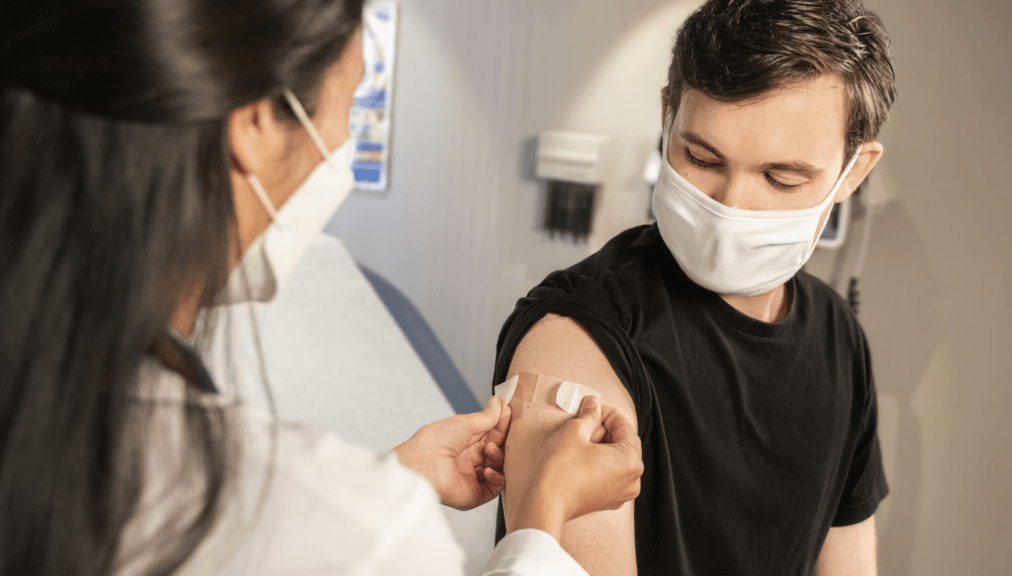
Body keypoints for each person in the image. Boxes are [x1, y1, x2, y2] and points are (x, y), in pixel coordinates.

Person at [0, 1, 644, 575]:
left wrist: (393, 476)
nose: (343, 143)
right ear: (255, 123)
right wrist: (538, 523)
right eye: (355, 103)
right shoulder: (356, 530)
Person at [493, 0, 897, 574]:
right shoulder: (579, 334)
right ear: (667, 118)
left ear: (852, 171)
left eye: (781, 177)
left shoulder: (839, 337)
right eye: (702, 157)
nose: (730, 206)